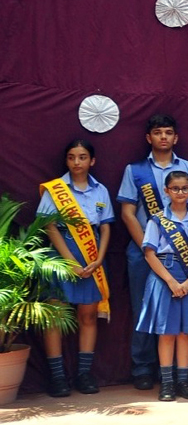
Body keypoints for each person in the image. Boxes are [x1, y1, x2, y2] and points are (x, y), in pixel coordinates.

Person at [117, 114, 188, 390]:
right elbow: (128, 213)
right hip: (145, 248)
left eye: (168, 132)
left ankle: (181, 375)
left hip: (183, 253)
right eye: (158, 132)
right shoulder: (135, 170)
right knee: (144, 308)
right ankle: (143, 367)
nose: (163, 137)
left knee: (182, 308)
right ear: (149, 138)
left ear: (176, 137)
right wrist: (147, 246)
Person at [37, 140, 114, 397]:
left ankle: (83, 374)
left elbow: (104, 227)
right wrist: (68, 259)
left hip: (91, 254)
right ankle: (58, 377)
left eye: (82, 157)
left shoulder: (100, 190)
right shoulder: (55, 189)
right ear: (67, 161)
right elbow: (48, 226)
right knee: (56, 316)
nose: (77, 162)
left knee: (88, 316)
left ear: (92, 161)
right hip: (60, 254)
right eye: (72, 157)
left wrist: (99, 258)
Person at [136, 171, 188, 401]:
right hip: (164, 276)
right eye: (175, 188)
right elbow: (149, 253)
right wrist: (170, 281)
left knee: (185, 331)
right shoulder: (157, 219)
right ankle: (167, 383)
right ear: (167, 191)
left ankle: (184, 380)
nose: (180, 193)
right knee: (167, 332)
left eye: (185, 189)